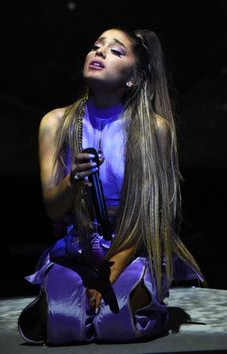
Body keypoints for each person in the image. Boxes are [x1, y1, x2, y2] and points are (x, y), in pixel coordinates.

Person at [18, 27, 204, 345]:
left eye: (117, 51)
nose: (100, 52)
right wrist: (72, 181)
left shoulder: (153, 130)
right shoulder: (54, 123)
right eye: (96, 46)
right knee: (64, 329)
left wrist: (108, 275)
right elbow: (53, 209)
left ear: (133, 78)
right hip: (78, 251)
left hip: (133, 252)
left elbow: (151, 220)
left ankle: (146, 304)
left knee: (115, 322)